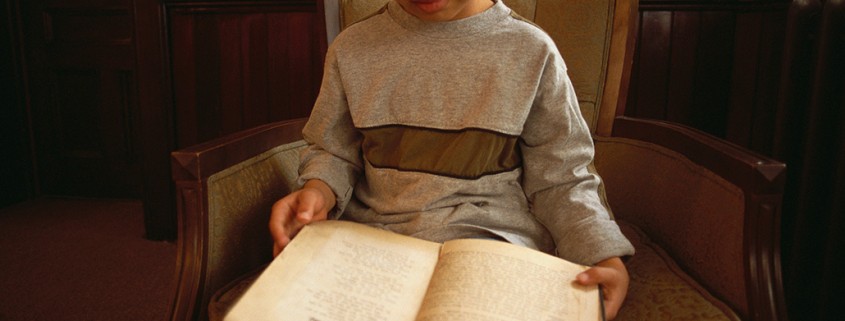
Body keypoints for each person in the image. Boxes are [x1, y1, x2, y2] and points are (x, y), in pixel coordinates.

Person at [269, 0, 635, 319]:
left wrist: (602, 254)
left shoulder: (531, 50)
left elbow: (562, 177)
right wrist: (318, 190)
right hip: (375, 246)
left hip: (492, 247)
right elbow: (333, 150)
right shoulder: (351, 48)